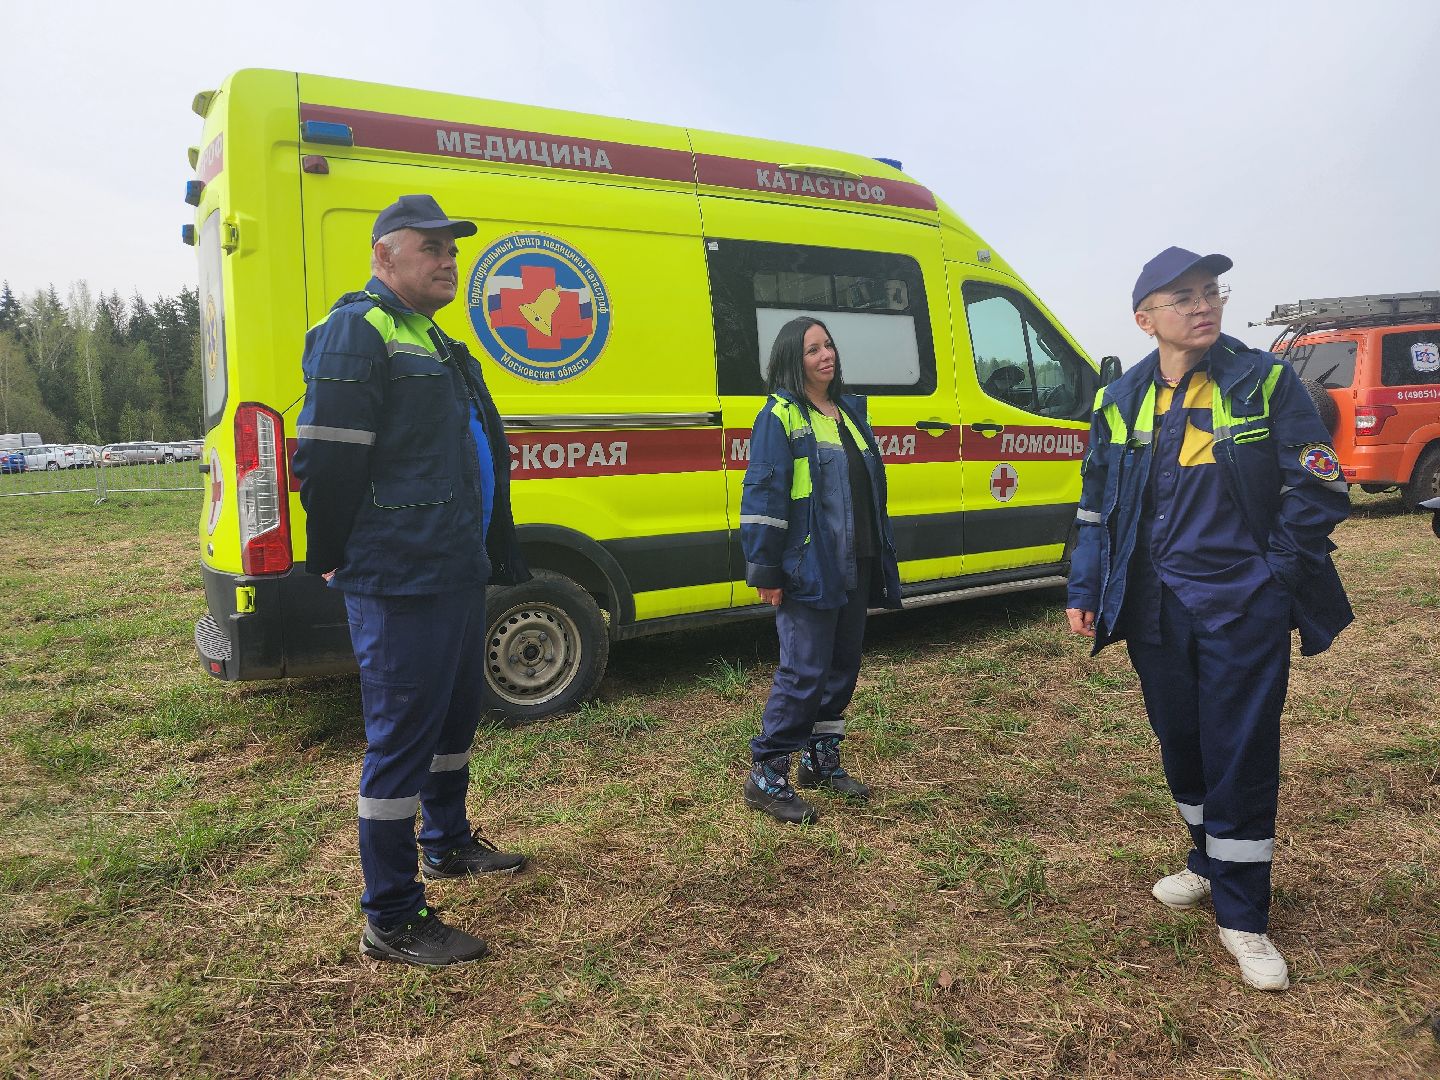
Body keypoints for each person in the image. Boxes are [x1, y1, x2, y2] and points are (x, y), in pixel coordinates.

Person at [1066, 247, 1353, 991]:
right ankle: (1205, 859)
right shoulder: (1119, 398)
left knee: (1241, 753)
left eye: (1211, 291)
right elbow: (1096, 505)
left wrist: (1273, 578)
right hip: (1154, 609)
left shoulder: (1264, 381)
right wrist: (1087, 587)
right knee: (1182, 746)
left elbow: (1319, 487)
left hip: (1240, 607)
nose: (1204, 304)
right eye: (1183, 296)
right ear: (1145, 318)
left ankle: (1244, 915)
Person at [292, 194, 532, 967]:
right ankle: (390, 917)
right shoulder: (356, 332)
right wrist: (332, 550)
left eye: (452, 250)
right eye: (429, 248)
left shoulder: (432, 338)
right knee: (400, 743)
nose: (446, 261)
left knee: (454, 722)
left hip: (455, 566)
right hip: (398, 573)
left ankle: (448, 843)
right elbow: (325, 457)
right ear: (382, 256)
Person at [739, 316, 903, 824]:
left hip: (855, 560)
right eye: (813, 349)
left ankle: (820, 759)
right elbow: (764, 496)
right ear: (794, 359)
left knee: (841, 667)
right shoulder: (781, 416)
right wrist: (766, 568)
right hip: (808, 564)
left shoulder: (849, 412)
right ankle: (767, 775)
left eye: (828, 345)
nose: (826, 355)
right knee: (803, 671)